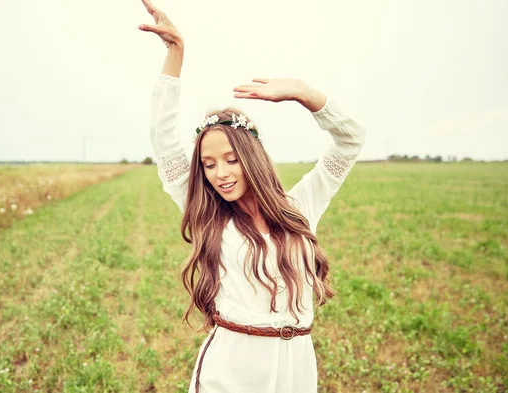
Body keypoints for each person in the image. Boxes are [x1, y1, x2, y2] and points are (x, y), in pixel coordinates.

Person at [139, 1, 367, 392]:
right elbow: (164, 143)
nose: (220, 173)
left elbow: (349, 141)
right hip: (233, 368)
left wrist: (303, 93)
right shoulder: (209, 217)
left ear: (252, 159)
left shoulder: (300, 207)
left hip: (296, 366)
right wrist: (176, 54)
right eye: (209, 165)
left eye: (230, 159)